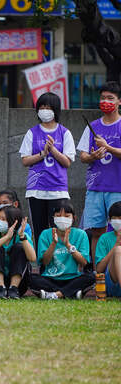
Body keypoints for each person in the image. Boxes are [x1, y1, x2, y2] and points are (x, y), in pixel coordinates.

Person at [19, 92, 75, 245]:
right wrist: (42, 153)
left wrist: (53, 150)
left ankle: (59, 263)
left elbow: (67, 162)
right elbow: (25, 160)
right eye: (41, 107)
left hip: (58, 188)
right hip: (36, 189)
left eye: (48, 107)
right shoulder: (32, 132)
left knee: (59, 227)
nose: (44, 110)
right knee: (40, 230)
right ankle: (42, 263)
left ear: (55, 110)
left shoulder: (65, 133)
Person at [77, 81, 121, 262]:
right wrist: (93, 156)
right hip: (95, 188)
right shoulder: (92, 126)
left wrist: (108, 147)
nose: (105, 101)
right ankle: (98, 275)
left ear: (119, 101)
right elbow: (82, 156)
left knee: (118, 232)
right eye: (103, 98)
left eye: (110, 98)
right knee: (96, 232)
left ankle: (116, 273)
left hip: (117, 188)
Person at [30, 201, 94, 300]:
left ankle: (54, 294)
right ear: (54, 218)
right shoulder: (45, 234)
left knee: (91, 277)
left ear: (74, 218)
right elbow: (45, 262)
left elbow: (84, 262)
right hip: (50, 278)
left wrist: (68, 245)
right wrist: (53, 244)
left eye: (67, 216)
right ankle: (71, 292)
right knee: (31, 278)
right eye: (58, 216)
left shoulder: (81, 234)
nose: (62, 219)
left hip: (73, 278)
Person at [0, 206, 36, 299]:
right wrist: (6, 237)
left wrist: (22, 237)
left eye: (3, 219)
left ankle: (13, 288)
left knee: (20, 248)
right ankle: (1, 288)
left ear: (14, 222)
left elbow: (32, 258)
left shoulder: (21, 235)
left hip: (19, 287)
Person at [94, 201, 121, 297]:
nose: (118, 221)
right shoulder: (104, 238)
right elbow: (99, 269)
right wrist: (116, 245)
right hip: (112, 283)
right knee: (118, 250)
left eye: (120, 218)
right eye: (114, 218)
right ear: (109, 220)